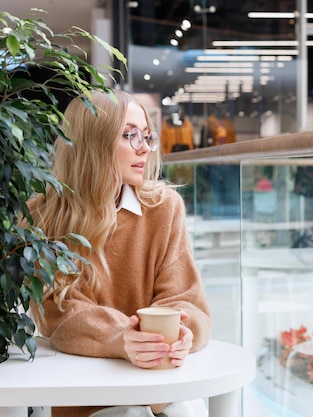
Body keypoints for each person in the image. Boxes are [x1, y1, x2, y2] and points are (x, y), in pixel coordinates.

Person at [26, 90, 213, 417]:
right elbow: (60, 314)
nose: (144, 148)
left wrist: (182, 333)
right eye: (130, 136)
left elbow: (186, 301)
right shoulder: (44, 215)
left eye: (147, 136)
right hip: (90, 397)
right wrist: (120, 338)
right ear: (93, 141)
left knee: (185, 409)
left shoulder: (164, 208)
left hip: (160, 389)